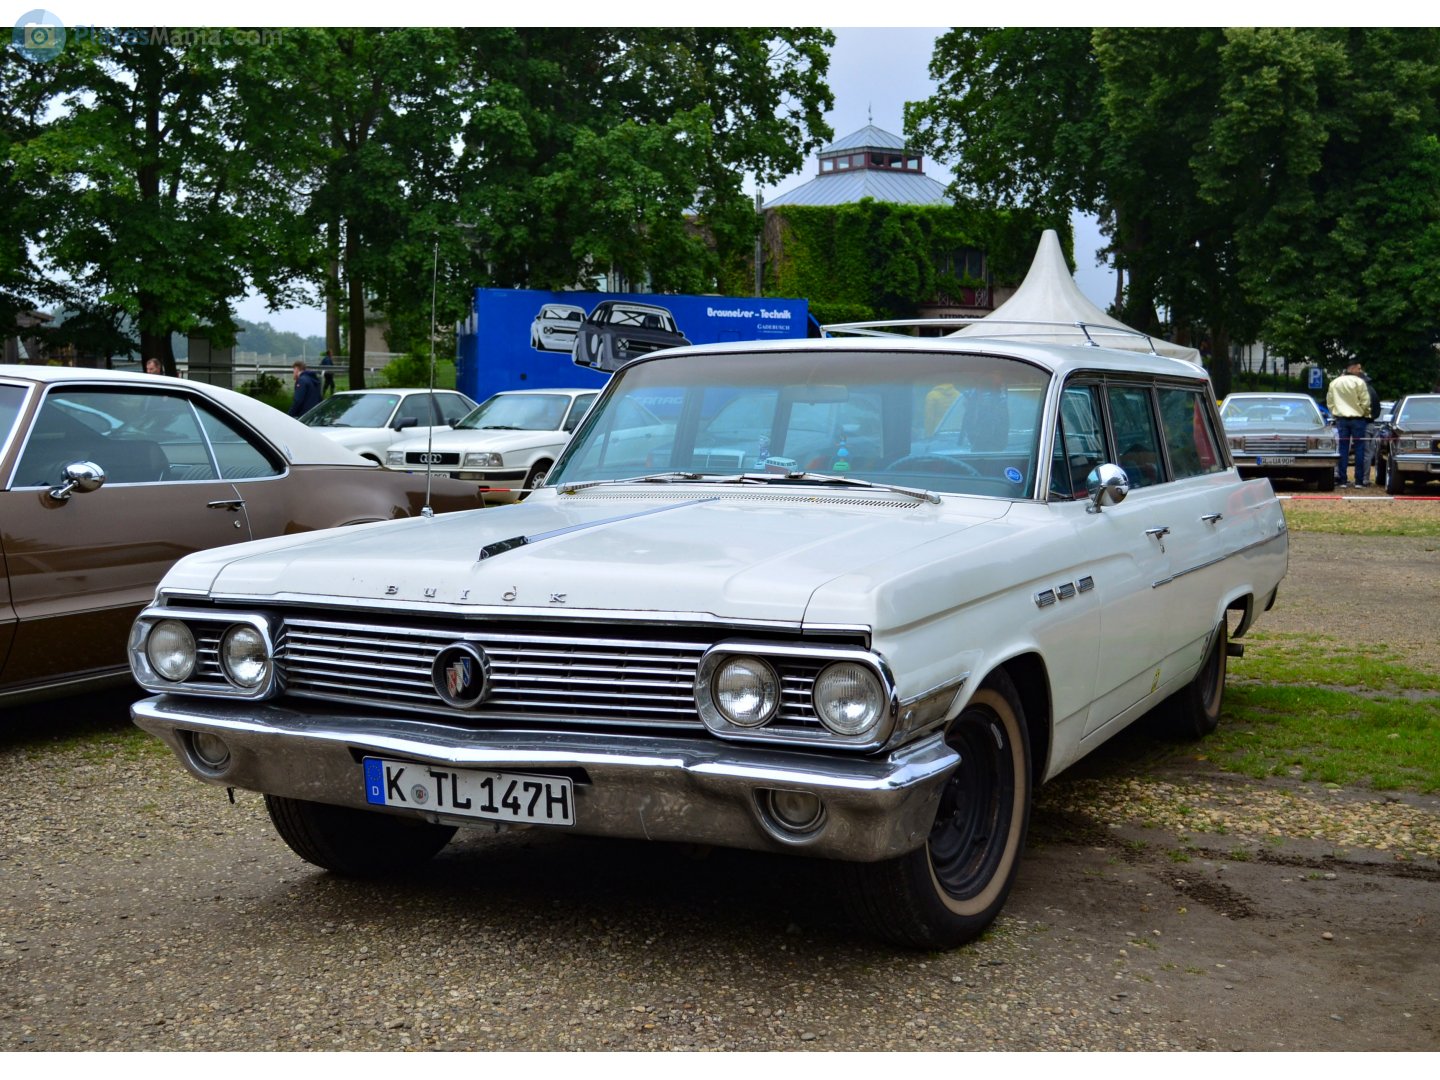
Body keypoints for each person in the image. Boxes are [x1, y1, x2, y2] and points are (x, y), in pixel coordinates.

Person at [1326, 360, 1371, 487]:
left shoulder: (1335, 383)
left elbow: (1330, 402)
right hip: (1358, 419)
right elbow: (1366, 402)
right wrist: (1364, 412)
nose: (1360, 371)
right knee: (1359, 449)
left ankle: (1342, 480)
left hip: (1341, 419)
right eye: (1358, 368)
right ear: (1352, 368)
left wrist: (1335, 413)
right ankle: (1359, 481)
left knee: (1343, 449)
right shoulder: (1359, 382)